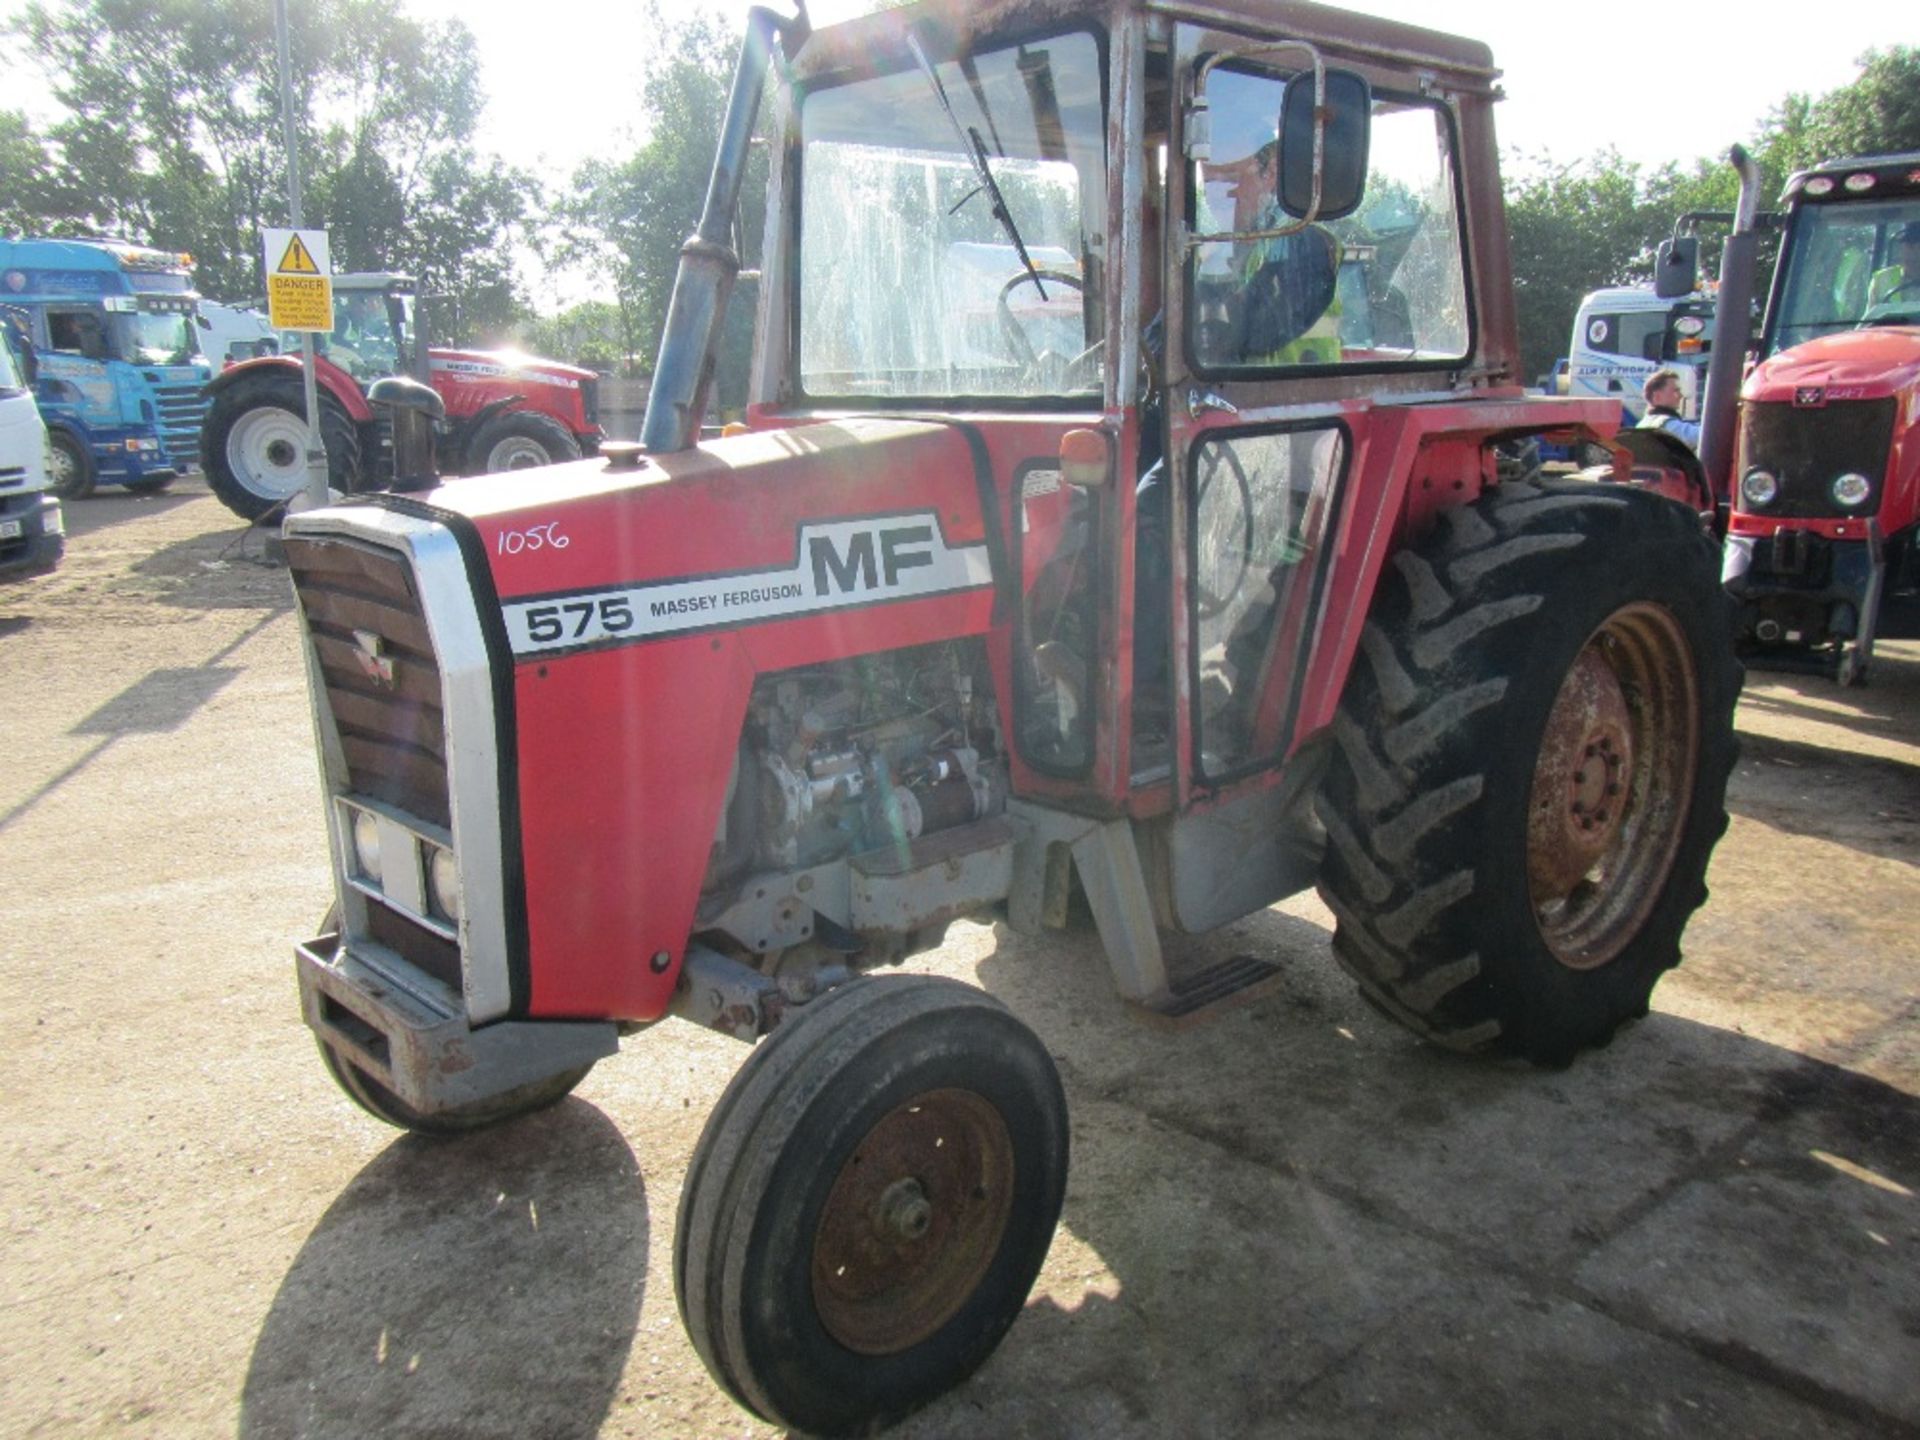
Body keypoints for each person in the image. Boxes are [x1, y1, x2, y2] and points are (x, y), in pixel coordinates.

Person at [1637, 369, 1700, 450]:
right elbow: (1705, 435)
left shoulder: (1642, 424)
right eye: (1675, 391)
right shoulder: (1665, 425)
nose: (1680, 395)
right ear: (1657, 396)